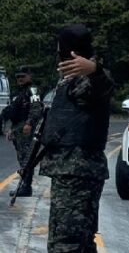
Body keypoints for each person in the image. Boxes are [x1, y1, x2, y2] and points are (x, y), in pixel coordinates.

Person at [39, 24, 115, 253]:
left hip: (77, 171)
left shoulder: (87, 78)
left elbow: (104, 87)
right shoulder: (70, 80)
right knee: (78, 242)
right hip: (70, 171)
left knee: (67, 243)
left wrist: (94, 69)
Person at [2, 65, 44, 197]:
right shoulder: (19, 92)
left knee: (27, 158)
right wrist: (10, 129)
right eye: (18, 77)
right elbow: (14, 111)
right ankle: (25, 184)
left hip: (26, 130)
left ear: (29, 76)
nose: (20, 79)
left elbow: (36, 108)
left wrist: (29, 124)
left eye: (22, 76)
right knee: (22, 158)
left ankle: (26, 186)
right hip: (17, 129)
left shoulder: (33, 90)